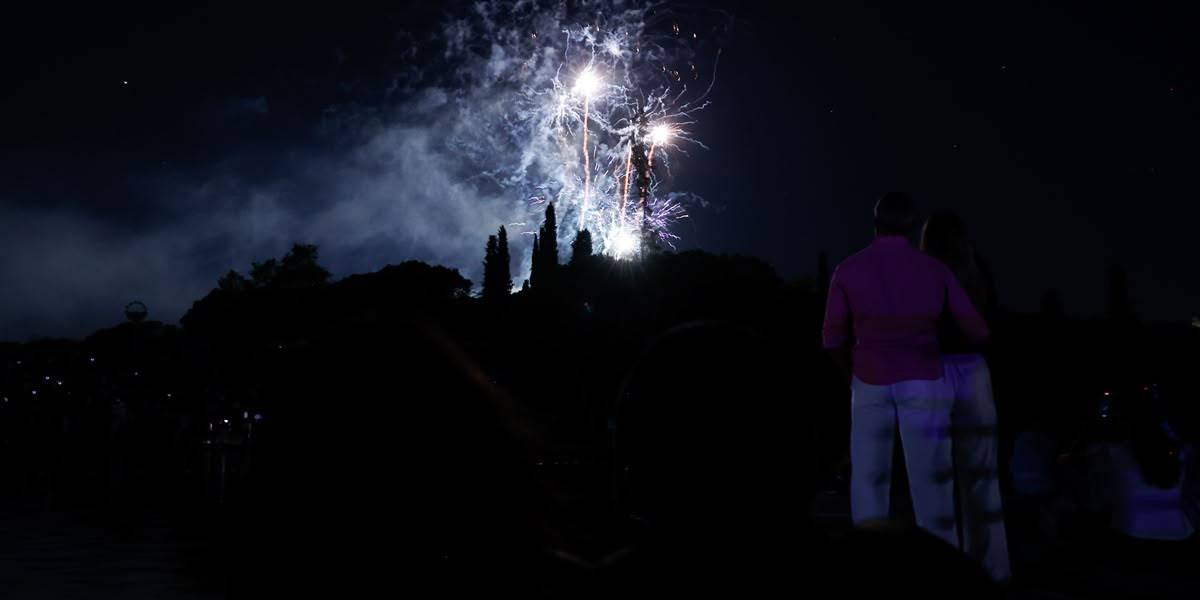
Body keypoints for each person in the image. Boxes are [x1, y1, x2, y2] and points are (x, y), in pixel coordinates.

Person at [823, 192, 990, 548]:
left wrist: (851, 376)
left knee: (869, 480)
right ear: (912, 227)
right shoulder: (935, 270)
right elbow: (976, 330)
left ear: (875, 223)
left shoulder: (848, 269)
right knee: (932, 483)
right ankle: (942, 559)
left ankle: (869, 557)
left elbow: (832, 338)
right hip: (923, 380)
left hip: (869, 380)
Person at [921, 210, 1012, 581]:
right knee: (981, 477)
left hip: (931, 371)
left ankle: (938, 569)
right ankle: (991, 570)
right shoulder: (978, 270)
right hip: (973, 369)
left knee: (933, 479)